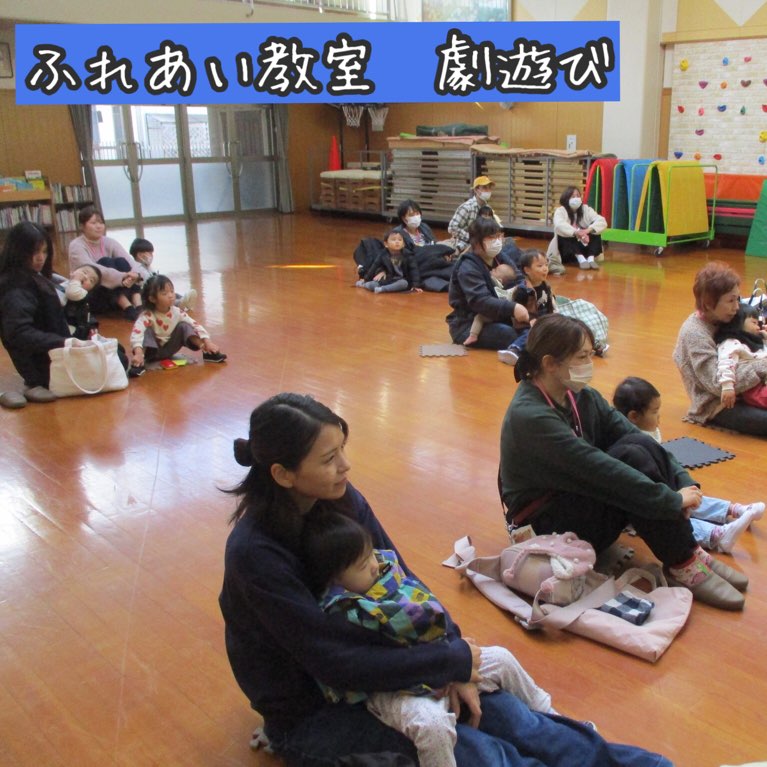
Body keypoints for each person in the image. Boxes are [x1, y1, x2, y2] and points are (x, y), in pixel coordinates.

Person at [219, 392, 675, 767]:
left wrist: (454, 657)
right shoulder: (255, 554)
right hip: (320, 707)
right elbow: (330, 660)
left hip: (395, 662)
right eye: (328, 458)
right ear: (283, 474)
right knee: (481, 754)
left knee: (523, 725)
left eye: (342, 449)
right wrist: (445, 663)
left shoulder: (340, 500)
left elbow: (404, 580)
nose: (345, 466)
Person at [499, 313, 747, 610]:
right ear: (550, 363)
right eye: (582, 357)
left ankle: (690, 551)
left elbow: (635, 436)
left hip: (575, 498)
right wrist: (671, 500)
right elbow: (602, 471)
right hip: (546, 528)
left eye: (590, 354)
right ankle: (683, 562)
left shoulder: (580, 395)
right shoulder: (531, 417)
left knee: (638, 445)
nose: (589, 363)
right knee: (631, 460)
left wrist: (684, 481)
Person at [301, 508, 558, 767]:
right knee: (432, 727)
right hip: (398, 690)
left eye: (370, 555)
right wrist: (443, 664)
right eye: (361, 565)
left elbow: (433, 611)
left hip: (442, 658)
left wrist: (454, 659)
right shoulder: (342, 615)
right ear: (336, 581)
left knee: (502, 658)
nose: (373, 565)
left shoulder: (389, 573)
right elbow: (371, 667)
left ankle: (550, 714)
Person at [613, 376, 764, 553]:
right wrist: (674, 498)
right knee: (672, 517)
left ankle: (733, 510)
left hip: (660, 487)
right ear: (634, 416)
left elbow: (667, 461)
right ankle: (716, 535)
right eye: (654, 412)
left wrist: (685, 488)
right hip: (642, 503)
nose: (659, 417)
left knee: (691, 495)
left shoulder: (647, 433)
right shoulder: (626, 447)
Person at [673, 261, 767, 436]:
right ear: (708, 304)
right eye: (730, 301)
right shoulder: (694, 333)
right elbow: (717, 384)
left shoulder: (727, 317)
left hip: (751, 389)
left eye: (737, 299)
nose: (737, 306)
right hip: (718, 403)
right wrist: (763, 365)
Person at [0, 221, 70, 408]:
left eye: (44, 252)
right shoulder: (15, 287)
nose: (40, 258)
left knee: (113, 353)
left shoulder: (34, 276)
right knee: (115, 360)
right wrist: (64, 342)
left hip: (52, 351)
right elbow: (19, 333)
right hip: (43, 363)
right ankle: (33, 386)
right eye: (34, 252)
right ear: (19, 252)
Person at [446, 218, 525, 351]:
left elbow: (519, 278)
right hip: (468, 323)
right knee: (509, 334)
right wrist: (513, 308)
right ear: (476, 242)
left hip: (498, 315)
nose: (498, 241)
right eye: (492, 237)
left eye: (499, 236)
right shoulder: (468, 267)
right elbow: (480, 301)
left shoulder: (499, 257)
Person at [129, 275, 226, 375]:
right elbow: (136, 334)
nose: (171, 295)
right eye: (164, 293)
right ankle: (139, 362)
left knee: (184, 325)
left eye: (172, 291)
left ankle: (206, 350)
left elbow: (195, 325)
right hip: (151, 352)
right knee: (146, 331)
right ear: (152, 299)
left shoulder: (177, 312)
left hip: (170, 348)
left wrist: (207, 342)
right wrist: (138, 353)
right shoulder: (146, 316)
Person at [68, 206, 143, 320]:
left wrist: (136, 274)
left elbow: (129, 261)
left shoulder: (109, 242)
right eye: (93, 223)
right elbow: (94, 271)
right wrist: (123, 276)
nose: (98, 226)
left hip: (115, 293)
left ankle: (138, 304)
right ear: (82, 226)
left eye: (101, 222)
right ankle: (127, 306)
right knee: (105, 262)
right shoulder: (76, 245)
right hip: (91, 295)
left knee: (121, 261)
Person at [497, 249, 556, 366]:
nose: (545, 269)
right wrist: (531, 320)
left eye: (546, 265)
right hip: (526, 323)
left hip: (543, 321)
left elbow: (549, 305)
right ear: (527, 270)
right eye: (540, 266)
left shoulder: (546, 286)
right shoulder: (522, 290)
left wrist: (553, 317)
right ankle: (514, 349)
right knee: (531, 333)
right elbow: (518, 311)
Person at [714, 304, 767, 410]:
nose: (758, 327)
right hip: (752, 387)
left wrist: (765, 339)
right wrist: (727, 386)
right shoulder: (732, 342)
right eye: (754, 323)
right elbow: (726, 363)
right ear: (739, 322)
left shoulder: (753, 341)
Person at [129, 237, 197, 311]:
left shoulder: (146, 266)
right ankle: (179, 304)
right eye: (150, 253)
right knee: (163, 295)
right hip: (146, 297)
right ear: (140, 255)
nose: (151, 256)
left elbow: (155, 277)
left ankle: (184, 302)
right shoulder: (137, 268)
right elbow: (150, 281)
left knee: (172, 294)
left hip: (153, 292)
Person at [463, 263, 519, 347]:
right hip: (503, 314)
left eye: (495, 270)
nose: (492, 270)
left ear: (500, 280)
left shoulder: (492, 281)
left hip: (493, 312)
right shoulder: (510, 289)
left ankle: (473, 335)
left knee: (479, 317)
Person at [552, 186, 607, 270]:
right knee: (564, 233)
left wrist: (587, 230)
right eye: (573, 196)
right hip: (569, 252)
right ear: (566, 198)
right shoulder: (560, 211)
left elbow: (601, 221)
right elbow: (559, 224)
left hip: (585, 246)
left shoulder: (586, 209)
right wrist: (576, 232)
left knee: (595, 230)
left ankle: (590, 259)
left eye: (578, 196)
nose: (576, 198)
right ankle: (580, 259)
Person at [356, 230, 422, 294]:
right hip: (389, 278)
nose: (397, 242)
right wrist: (365, 279)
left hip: (402, 279)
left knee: (404, 283)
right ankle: (364, 285)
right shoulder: (383, 254)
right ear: (386, 244)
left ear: (403, 244)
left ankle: (383, 289)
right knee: (373, 284)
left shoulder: (408, 255)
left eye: (400, 240)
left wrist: (415, 285)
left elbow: (414, 270)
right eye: (393, 240)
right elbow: (374, 266)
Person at [53, 263, 101, 340]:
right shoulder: (62, 283)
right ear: (72, 272)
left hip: (71, 329)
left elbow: (72, 293)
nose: (85, 277)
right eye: (84, 272)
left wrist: (76, 279)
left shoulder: (82, 293)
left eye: (91, 280)